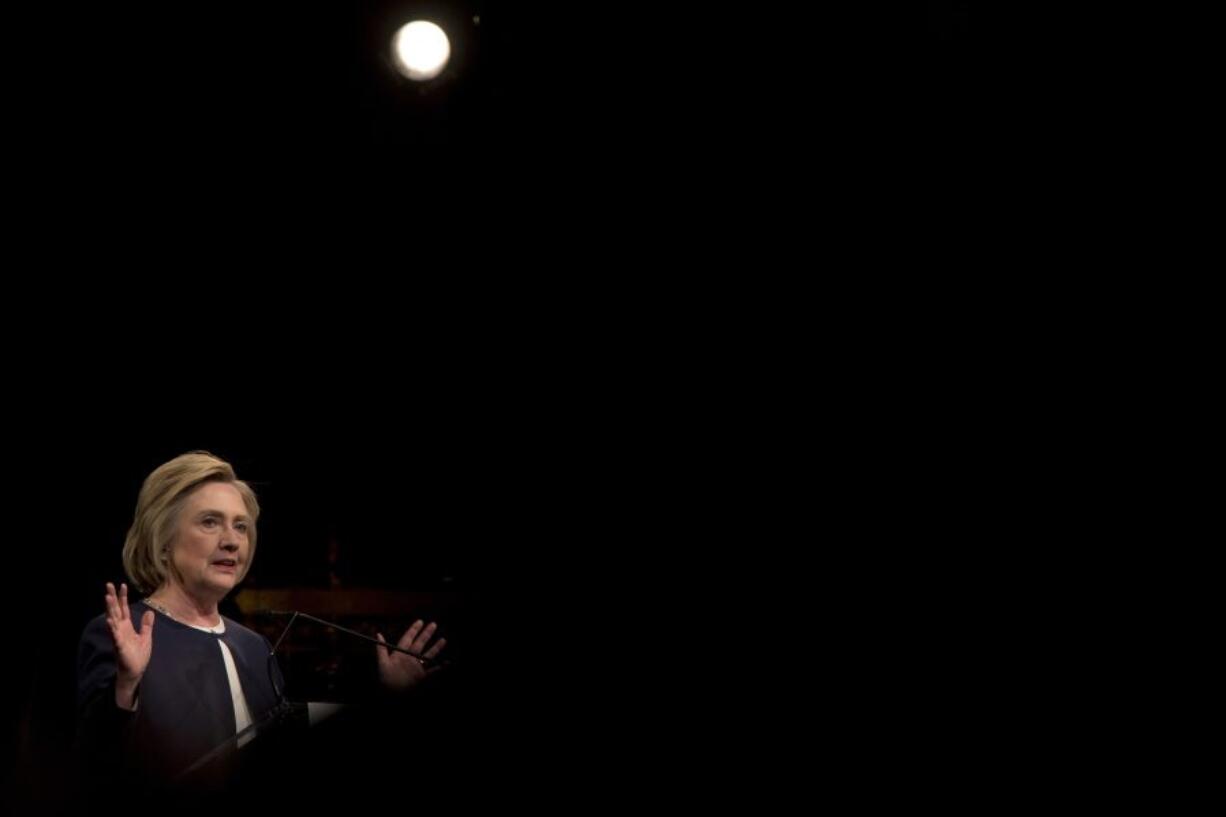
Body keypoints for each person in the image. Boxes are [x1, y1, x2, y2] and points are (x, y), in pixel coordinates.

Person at [73, 451, 446, 802]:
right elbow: (96, 766)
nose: (232, 541)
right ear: (164, 540)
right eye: (210, 522)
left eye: (241, 526)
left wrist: (386, 701)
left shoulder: (252, 646)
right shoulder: (125, 632)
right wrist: (126, 687)